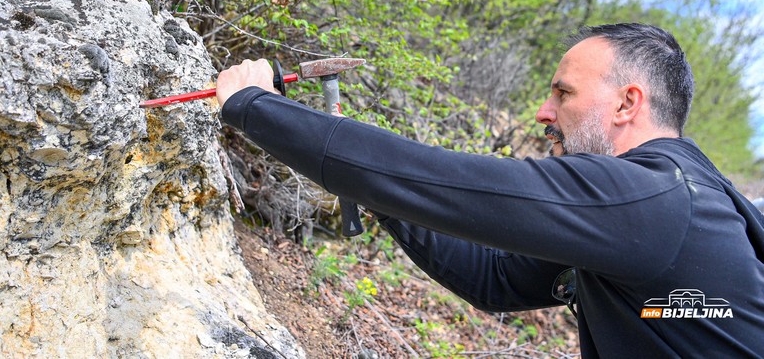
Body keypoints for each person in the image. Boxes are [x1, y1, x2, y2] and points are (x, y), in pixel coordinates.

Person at [216, 23, 764, 357]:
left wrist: (256, 106)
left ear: (626, 104)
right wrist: (379, 188)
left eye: (563, 94)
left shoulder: (650, 199)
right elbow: (495, 279)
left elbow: (447, 180)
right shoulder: (659, 203)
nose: (543, 113)